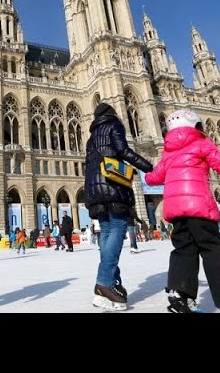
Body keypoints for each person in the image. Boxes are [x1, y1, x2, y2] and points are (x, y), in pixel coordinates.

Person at [145, 109, 220, 313]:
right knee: (214, 251)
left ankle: (180, 297)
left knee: (183, 249)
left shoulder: (168, 152)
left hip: (176, 211)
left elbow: (152, 178)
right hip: (199, 207)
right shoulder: (201, 143)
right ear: (195, 126)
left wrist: (145, 171)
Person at [84, 102, 153, 311]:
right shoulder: (114, 125)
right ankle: (104, 283)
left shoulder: (91, 136)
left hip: (94, 187)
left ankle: (109, 283)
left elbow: (88, 163)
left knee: (106, 232)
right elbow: (123, 150)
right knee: (117, 228)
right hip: (113, 184)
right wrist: (148, 167)